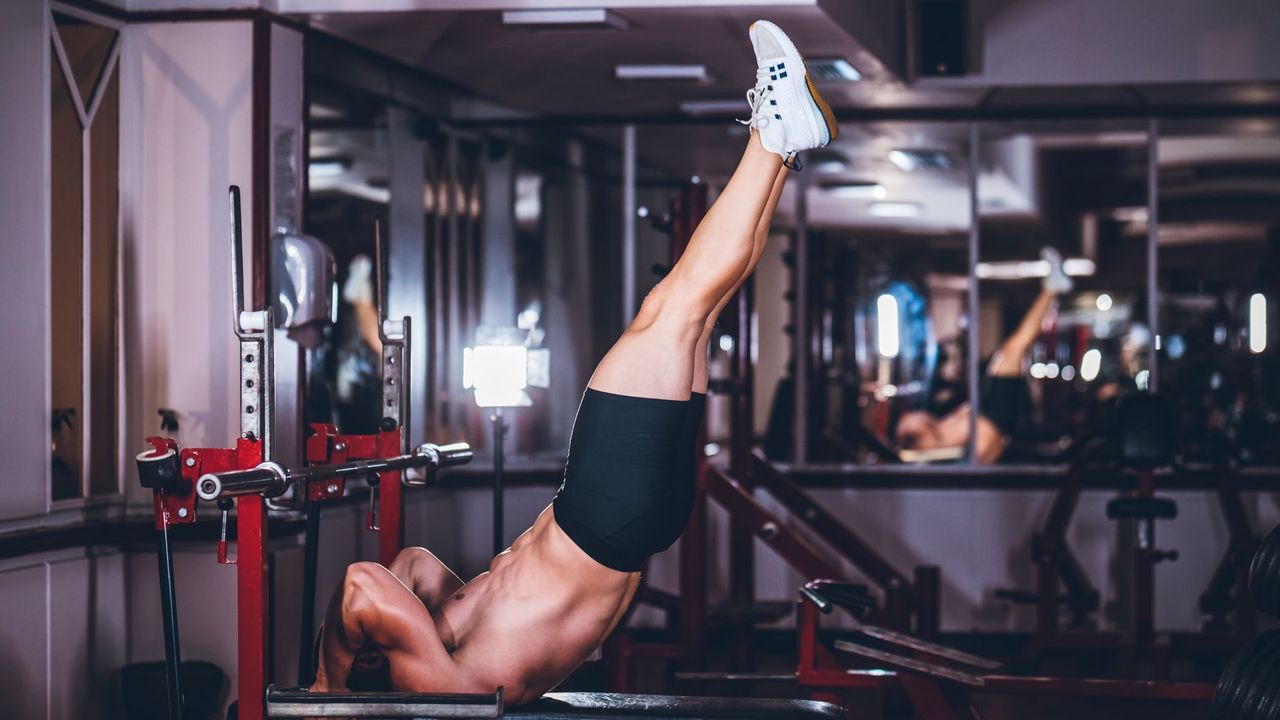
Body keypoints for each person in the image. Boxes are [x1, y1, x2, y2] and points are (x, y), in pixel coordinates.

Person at [309, 20, 837, 705]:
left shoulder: (448, 641)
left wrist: (412, 628)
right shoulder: (441, 689)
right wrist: (325, 687)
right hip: (603, 517)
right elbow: (361, 586)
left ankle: (783, 149)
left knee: (692, 313)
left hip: (619, 523)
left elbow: (410, 565)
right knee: (671, 310)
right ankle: (773, 135)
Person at [895, 248, 1074, 464]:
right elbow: (985, 451)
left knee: (1009, 350)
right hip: (995, 420)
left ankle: (1051, 290)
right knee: (1012, 351)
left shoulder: (936, 427)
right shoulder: (926, 444)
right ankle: (1051, 289)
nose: (907, 417)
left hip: (987, 413)